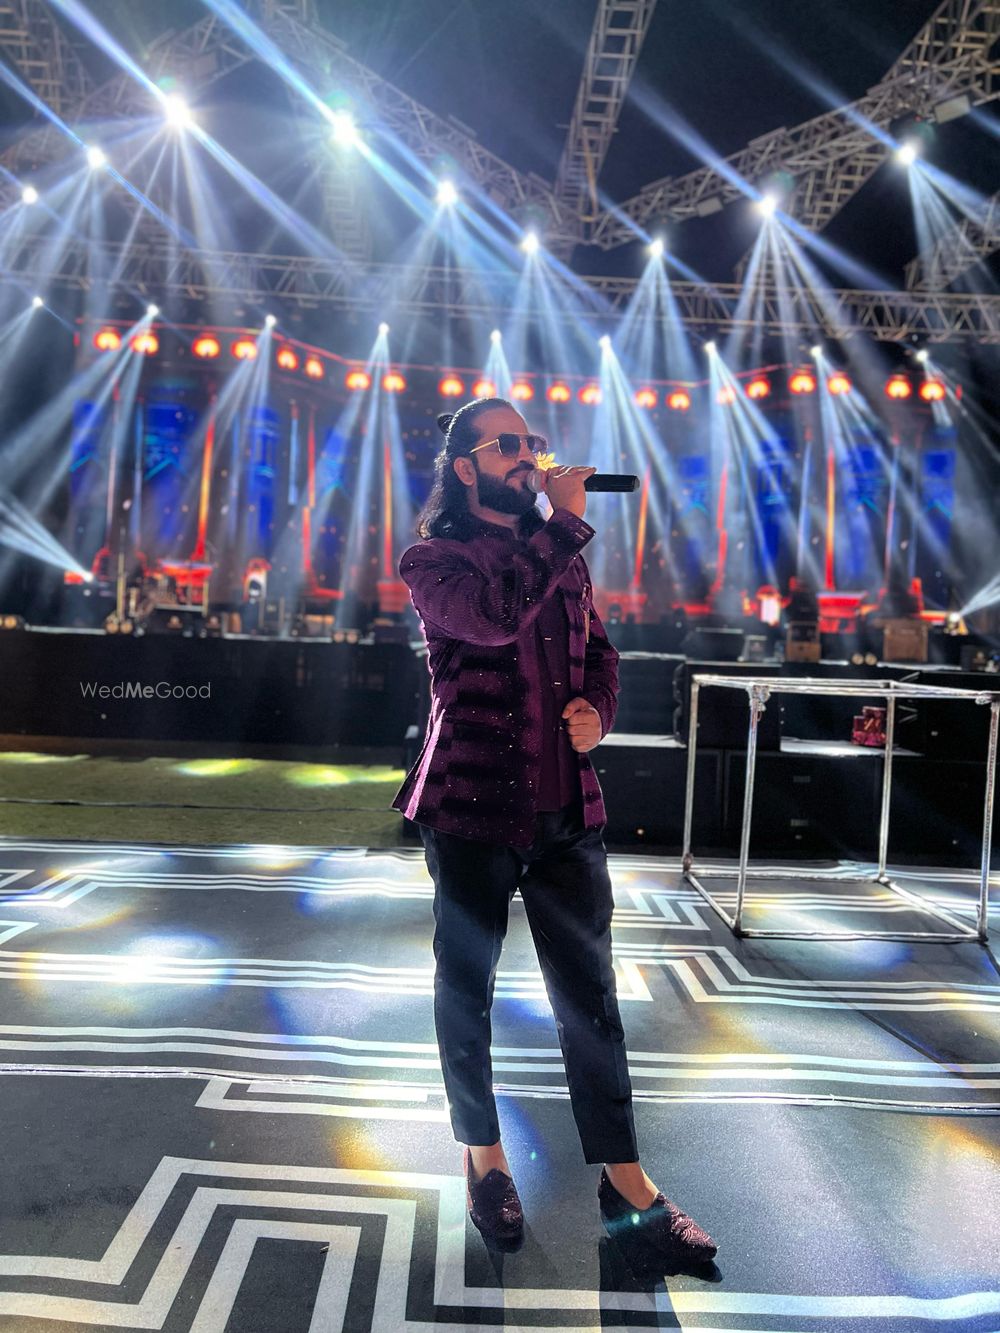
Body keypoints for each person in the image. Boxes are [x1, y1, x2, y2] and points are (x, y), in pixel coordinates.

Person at [392, 397, 717, 1263]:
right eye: (509, 444)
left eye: (532, 441)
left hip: (566, 806)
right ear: (465, 467)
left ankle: (627, 1184)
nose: (528, 454)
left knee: (591, 999)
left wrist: (598, 710)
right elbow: (496, 615)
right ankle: (484, 1159)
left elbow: (600, 653)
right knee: (467, 991)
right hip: (470, 807)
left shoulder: (558, 552)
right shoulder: (433, 559)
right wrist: (563, 524)